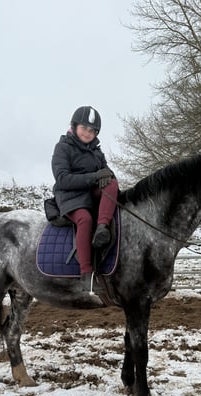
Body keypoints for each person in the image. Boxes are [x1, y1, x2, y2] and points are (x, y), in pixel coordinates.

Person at [51, 105, 119, 293]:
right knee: (85, 218)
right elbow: (62, 179)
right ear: (74, 126)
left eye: (92, 130)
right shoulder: (63, 147)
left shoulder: (96, 151)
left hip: (91, 193)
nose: (88, 133)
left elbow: (107, 174)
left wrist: (108, 175)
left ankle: (102, 228)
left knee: (112, 185)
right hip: (70, 195)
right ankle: (86, 275)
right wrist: (95, 177)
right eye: (84, 128)